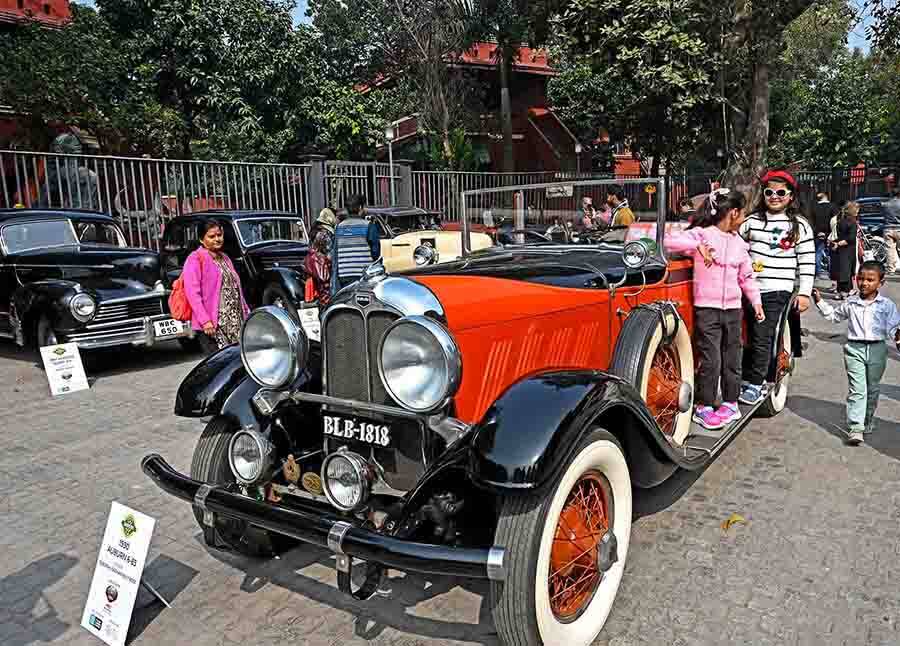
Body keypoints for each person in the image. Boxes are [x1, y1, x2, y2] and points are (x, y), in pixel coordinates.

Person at [665, 189, 764, 430]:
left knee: (733, 356)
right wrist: (697, 245)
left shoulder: (740, 243)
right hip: (707, 309)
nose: (744, 219)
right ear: (733, 213)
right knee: (711, 359)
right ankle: (704, 405)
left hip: (733, 309)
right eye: (743, 214)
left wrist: (756, 302)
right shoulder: (702, 234)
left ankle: (731, 402)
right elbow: (668, 240)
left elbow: (747, 277)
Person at [738, 169, 815, 405]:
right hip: (747, 289)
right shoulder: (751, 221)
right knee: (743, 334)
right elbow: (734, 245)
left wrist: (804, 293)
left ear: (790, 196)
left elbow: (807, 260)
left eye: (781, 192)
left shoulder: (799, 225)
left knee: (762, 336)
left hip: (777, 290)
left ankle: (757, 383)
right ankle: (743, 375)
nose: (774, 196)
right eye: (769, 191)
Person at [812, 261, 900, 445]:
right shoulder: (851, 302)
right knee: (857, 390)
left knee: (873, 389)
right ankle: (856, 427)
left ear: (880, 283)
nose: (864, 283)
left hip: (877, 350)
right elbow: (834, 317)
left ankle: (867, 420)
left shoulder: (886, 305)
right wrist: (820, 302)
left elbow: (894, 329)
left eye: (870, 280)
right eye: (861, 279)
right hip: (854, 350)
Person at [182, 218, 250, 354]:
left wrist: (246, 312)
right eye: (211, 236)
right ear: (202, 239)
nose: (217, 239)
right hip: (213, 326)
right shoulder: (195, 258)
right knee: (219, 365)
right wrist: (205, 321)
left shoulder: (225, 257)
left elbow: (235, 288)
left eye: (219, 235)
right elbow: (192, 293)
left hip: (235, 323)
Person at [332, 194, 379, 291]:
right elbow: (376, 251)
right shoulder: (368, 226)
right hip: (364, 274)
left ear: (346, 209)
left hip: (344, 275)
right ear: (360, 208)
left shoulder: (339, 227)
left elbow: (335, 252)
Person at [305, 208, 337, 304]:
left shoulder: (315, 229)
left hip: (314, 266)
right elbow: (329, 253)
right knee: (325, 292)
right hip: (322, 266)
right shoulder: (325, 233)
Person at [830, 202, 860, 299]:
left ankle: (841, 291)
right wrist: (839, 243)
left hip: (839, 249)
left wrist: (837, 244)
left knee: (841, 270)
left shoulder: (840, 221)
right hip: (848, 249)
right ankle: (845, 291)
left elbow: (837, 235)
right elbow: (851, 238)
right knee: (846, 270)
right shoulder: (852, 223)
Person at [812, 191, 839, 278]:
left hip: (817, 233)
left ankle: (817, 273)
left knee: (818, 253)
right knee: (831, 253)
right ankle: (832, 273)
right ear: (826, 197)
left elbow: (811, 222)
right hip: (830, 233)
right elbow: (835, 221)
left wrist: (817, 232)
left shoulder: (814, 207)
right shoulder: (833, 206)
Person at [883, 188, 900, 274]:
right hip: (899, 229)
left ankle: (891, 269)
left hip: (888, 229)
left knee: (890, 250)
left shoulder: (885, 204)